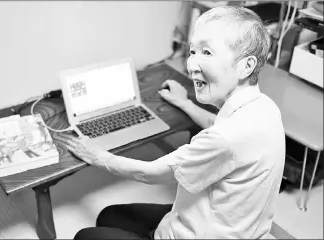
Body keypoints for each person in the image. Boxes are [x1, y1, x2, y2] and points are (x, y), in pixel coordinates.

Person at [63, 5, 285, 239]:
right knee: (110, 216)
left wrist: (99, 157)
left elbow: (150, 172)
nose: (191, 65)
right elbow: (217, 125)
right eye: (192, 51)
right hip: (235, 224)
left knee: (85, 236)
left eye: (207, 52)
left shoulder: (224, 139)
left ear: (246, 66)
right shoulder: (265, 108)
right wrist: (185, 103)